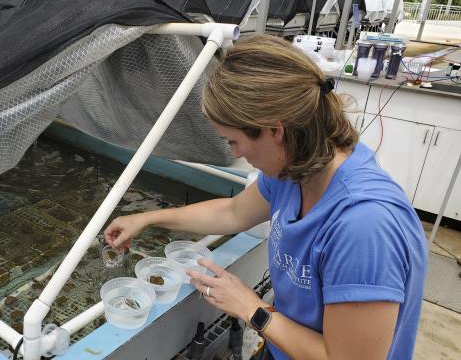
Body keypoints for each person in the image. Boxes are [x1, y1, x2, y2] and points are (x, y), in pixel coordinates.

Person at [104, 35, 427, 360]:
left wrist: (251, 308)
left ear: (275, 130)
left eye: (233, 141)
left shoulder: (364, 226)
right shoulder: (294, 171)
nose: (236, 154)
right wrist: (147, 219)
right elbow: (231, 212)